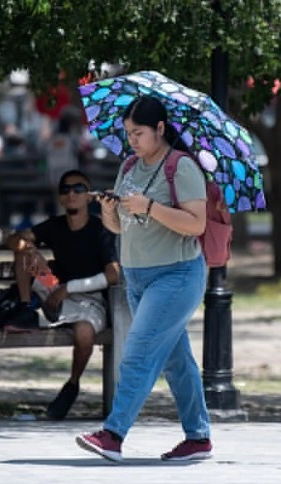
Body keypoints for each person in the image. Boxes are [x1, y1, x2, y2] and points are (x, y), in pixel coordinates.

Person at [76, 95, 212, 462]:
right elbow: (120, 227)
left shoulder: (182, 167)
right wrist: (109, 211)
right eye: (128, 133)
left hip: (177, 275)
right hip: (137, 277)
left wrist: (149, 206)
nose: (132, 140)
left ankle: (113, 434)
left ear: (161, 129)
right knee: (176, 360)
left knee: (138, 351)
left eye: (138, 133)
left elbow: (196, 224)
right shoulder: (129, 167)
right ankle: (198, 438)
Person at [4, 169, 120, 420]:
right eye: (65, 189)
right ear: (60, 197)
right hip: (55, 289)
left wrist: (71, 288)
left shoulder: (100, 230)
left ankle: (72, 384)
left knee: (84, 333)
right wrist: (30, 249)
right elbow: (14, 240)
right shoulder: (55, 226)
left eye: (78, 189)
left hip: (88, 300)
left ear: (89, 197)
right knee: (25, 253)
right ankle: (26, 309)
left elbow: (113, 275)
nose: (71, 194)